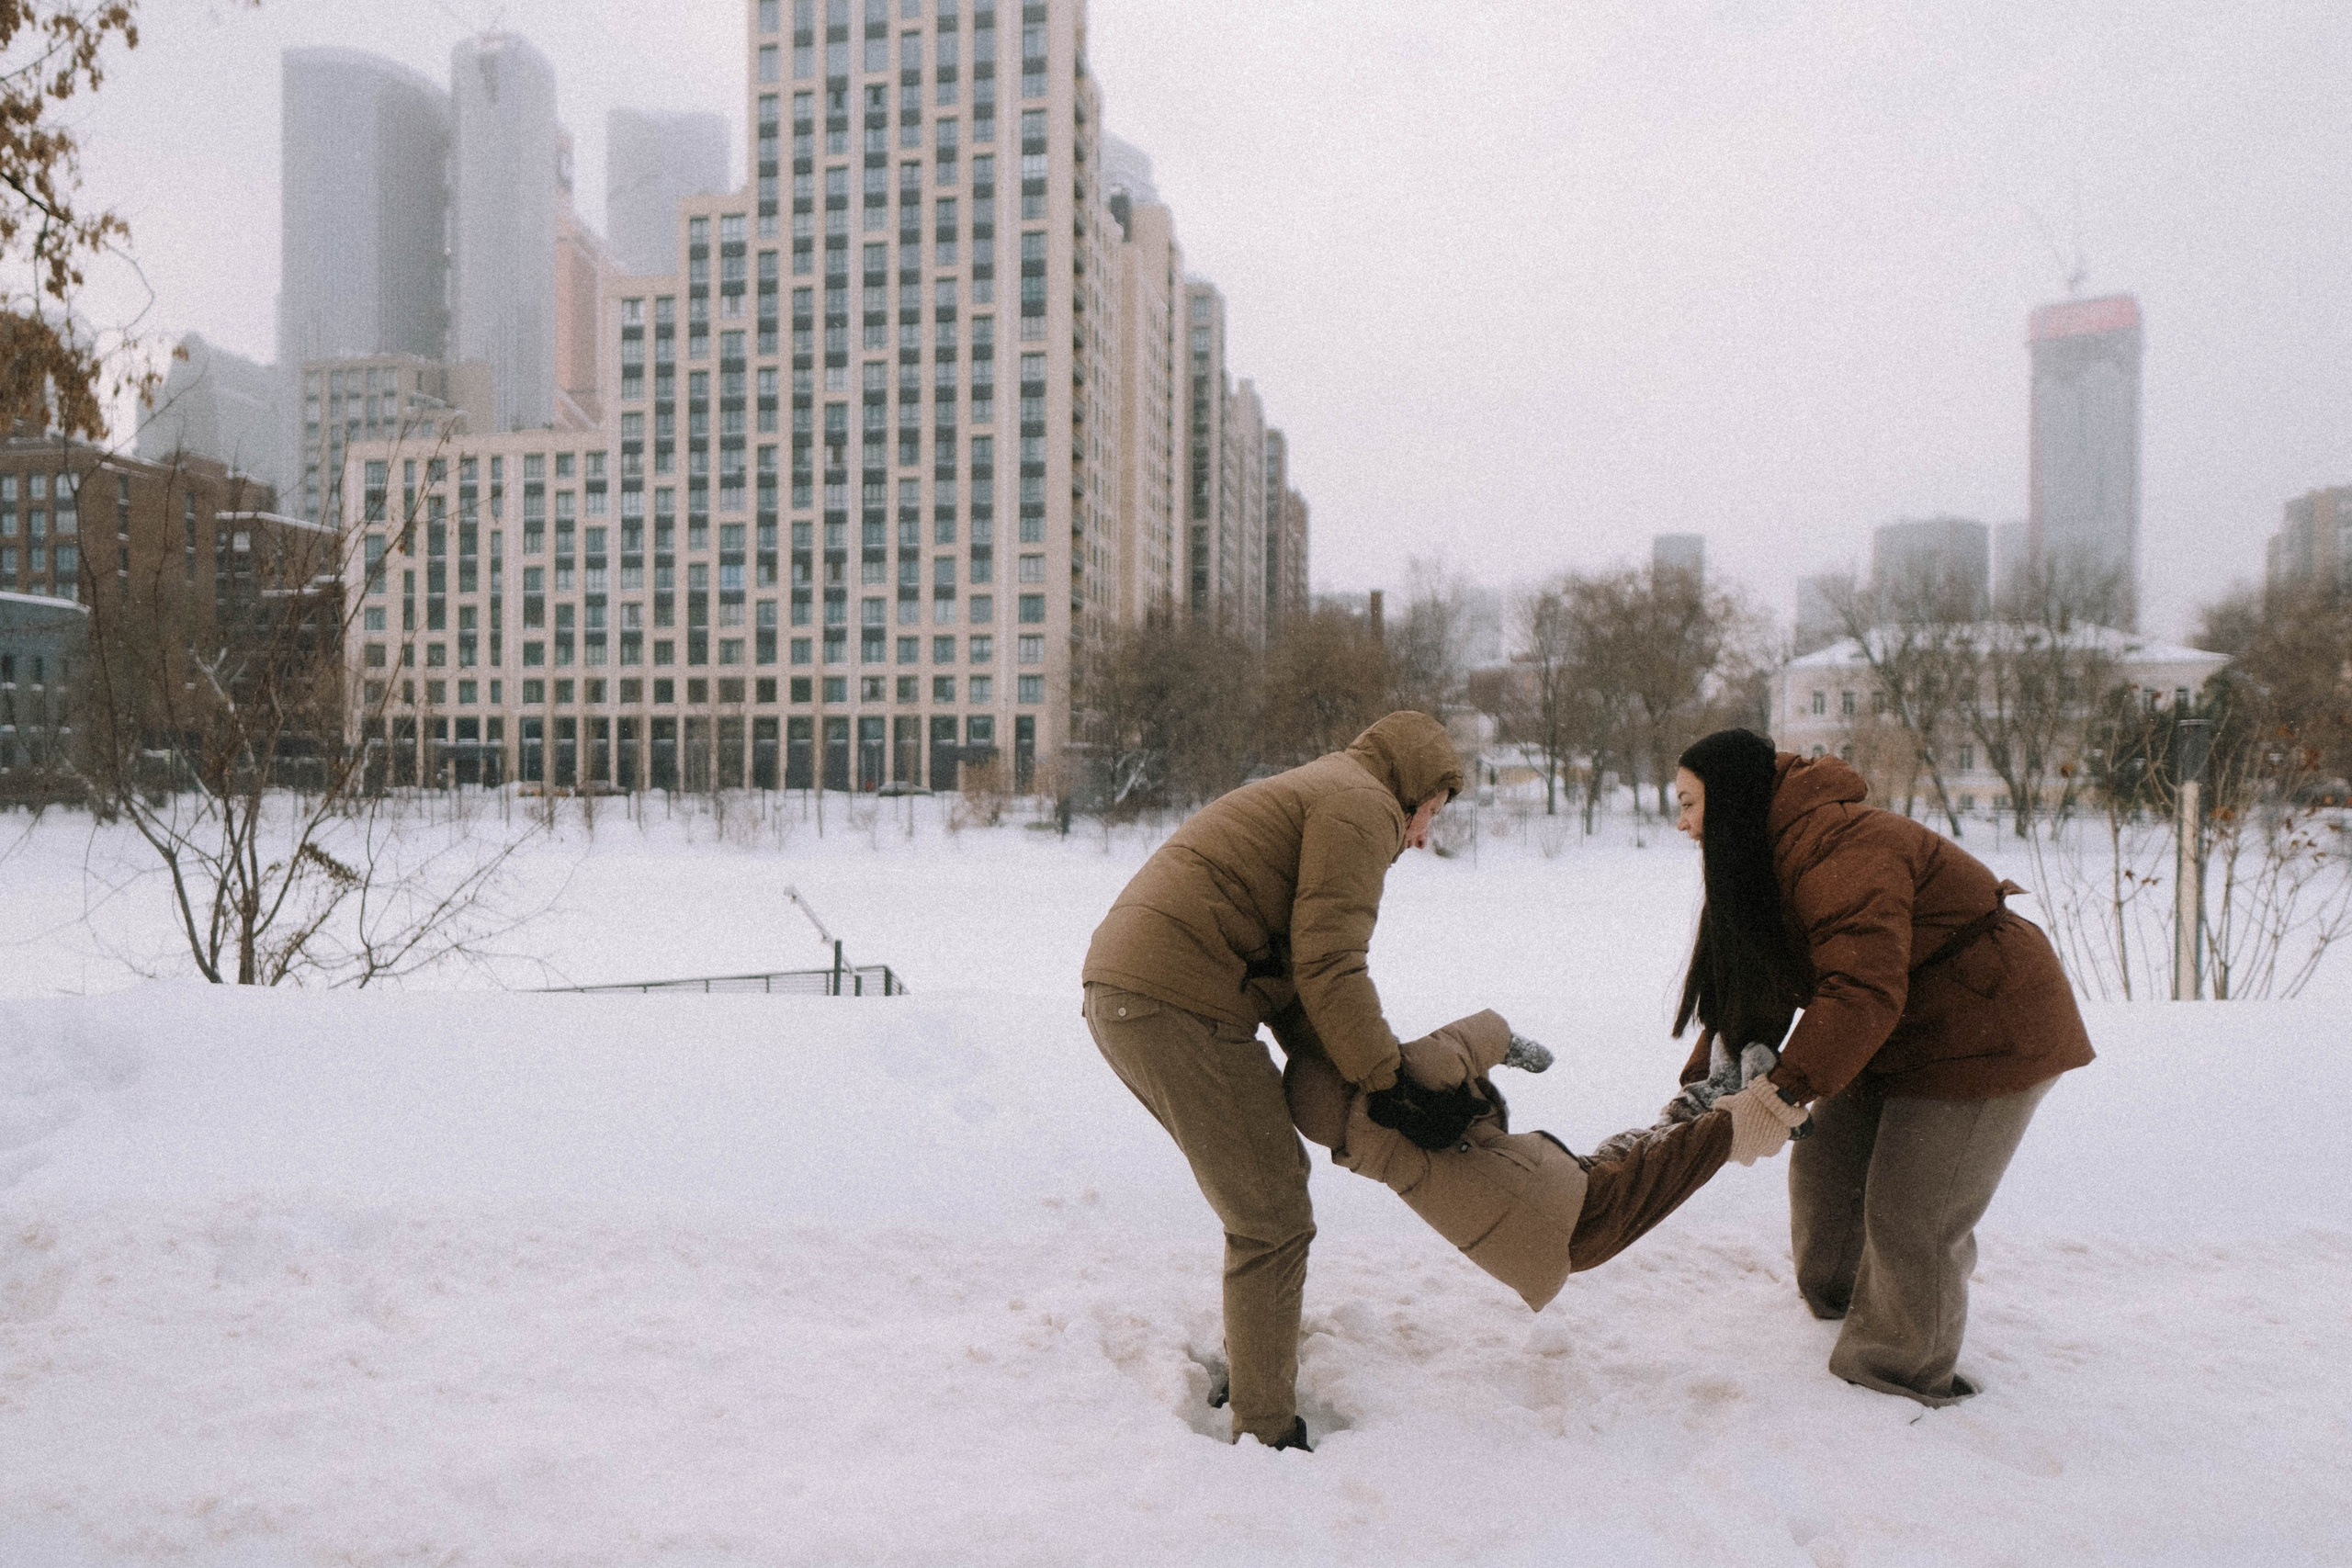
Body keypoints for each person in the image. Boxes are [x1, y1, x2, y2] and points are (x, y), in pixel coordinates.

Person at [1669, 728, 2094, 1406]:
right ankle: (1838, 1298)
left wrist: (1778, 1096)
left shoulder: (1841, 846)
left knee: (1914, 1209)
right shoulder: (1765, 851)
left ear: (1733, 799)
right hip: (1895, 1026)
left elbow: (1860, 989)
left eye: (1690, 803)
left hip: (1990, 1023)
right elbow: (1763, 980)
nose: (1682, 822)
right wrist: (1713, 1081)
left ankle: (1897, 1373)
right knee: (1827, 1168)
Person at [1081, 712, 1466, 1451]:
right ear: (1414, 789)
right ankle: (1265, 1430)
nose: (1422, 836)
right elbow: (1330, 965)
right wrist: (1389, 1081)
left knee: (1266, 1187)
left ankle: (1254, 1367)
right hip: (1174, 997)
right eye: (1432, 814)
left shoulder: (1331, 787)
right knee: (1270, 1213)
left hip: (1136, 991)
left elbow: (1295, 980)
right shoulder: (1361, 807)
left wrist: (1363, 1081)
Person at [1283, 1009, 1805, 1315]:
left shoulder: (1367, 1153)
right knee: (1667, 1167)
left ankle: (1703, 1103)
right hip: (1555, 1209)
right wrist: (1511, 1045)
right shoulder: (1404, 1079)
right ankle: (1755, 1109)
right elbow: (1460, 1043)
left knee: (1632, 1161)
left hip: (1537, 1227)